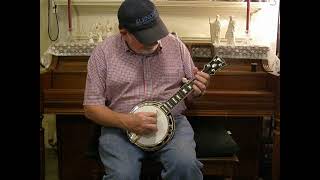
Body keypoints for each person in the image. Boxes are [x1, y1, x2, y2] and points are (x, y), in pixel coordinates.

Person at [83, 0, 210, 179]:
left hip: (173, 123)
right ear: (123, 32)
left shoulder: (176, 46)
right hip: (120, 128)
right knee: (123, 175)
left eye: (156, 33)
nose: (155, 41)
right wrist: (129, 121)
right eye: (145, 36)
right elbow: (91, 108)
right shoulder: (103, 54)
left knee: (185, 166)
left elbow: (190, 98)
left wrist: (197, 91)